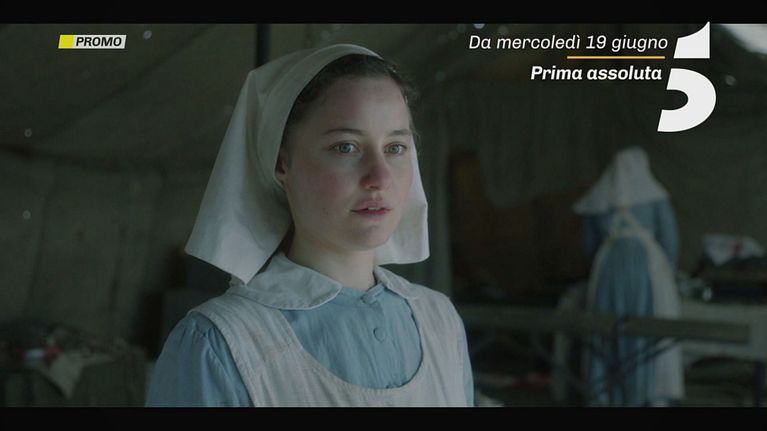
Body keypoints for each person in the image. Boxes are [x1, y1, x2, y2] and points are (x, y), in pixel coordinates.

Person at [145, 44, 474, 407]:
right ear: (281, 163)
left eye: (395, 147)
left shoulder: (439, 321)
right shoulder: (220, 345)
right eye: (346, 147)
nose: (380, 177)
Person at [573, 146, 684, 407]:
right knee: (648, 329)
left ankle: (609, 395)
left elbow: (589, 245)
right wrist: (666, 273)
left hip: (608, 271)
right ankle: (648, 394)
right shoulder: (654, 197)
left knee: (609, 330)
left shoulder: (600, 198)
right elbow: (670, 238)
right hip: (647, 270)